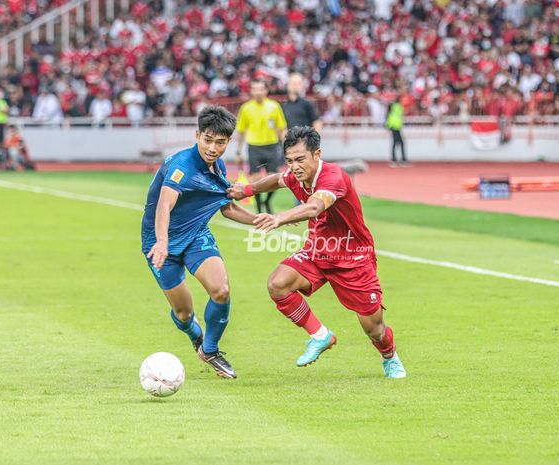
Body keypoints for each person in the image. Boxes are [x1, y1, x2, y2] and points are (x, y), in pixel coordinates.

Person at [227, 126, 406, 379]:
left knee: (373, 328)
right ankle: (320, 336)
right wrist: (246, 190)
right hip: (318, 251)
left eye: (300, 159)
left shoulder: (333, 177)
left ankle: (390, 356)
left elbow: (314, 207)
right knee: (278, 284)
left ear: (317, 154)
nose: (294, 166)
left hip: (353, 257)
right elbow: (277, 180)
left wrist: (280, 217)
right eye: (289, 160)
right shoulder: (295, 175)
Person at [142, 106, 256, 379]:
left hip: (195, 235)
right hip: (162, 244)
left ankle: (211, 350)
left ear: (228, 142)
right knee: (183, 314)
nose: (213, 148)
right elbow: (163, 206)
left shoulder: (218, 165)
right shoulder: (181, 166)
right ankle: (195, 336)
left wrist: (262, 220)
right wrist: (161, 242)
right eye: (207, 140)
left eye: (220, 142)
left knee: (221, 290)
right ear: (197, 135)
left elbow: (226, 207)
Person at [235, 80, 287, 214]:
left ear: (266, 91)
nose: (258, 92)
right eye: (255, 89)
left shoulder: (274, 106)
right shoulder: (246, 108)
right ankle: (259, 207)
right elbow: (240, 131)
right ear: (251, 91)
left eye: (261, 89)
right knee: (255, 179)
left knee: (275, 179)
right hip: (254, 147)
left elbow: (282, 128)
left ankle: (267, 201)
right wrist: (238, 151)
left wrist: (287, 146)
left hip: (271, 145)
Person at [386, 95, 408, 166]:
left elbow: (389, 116)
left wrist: (388, 126)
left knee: (396, 143)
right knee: (399, 143)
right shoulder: (398, 106)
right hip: (396, 127)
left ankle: (395, 159)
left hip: (394, 127)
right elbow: (399, 115)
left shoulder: (392, 106)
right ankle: (398, 160)